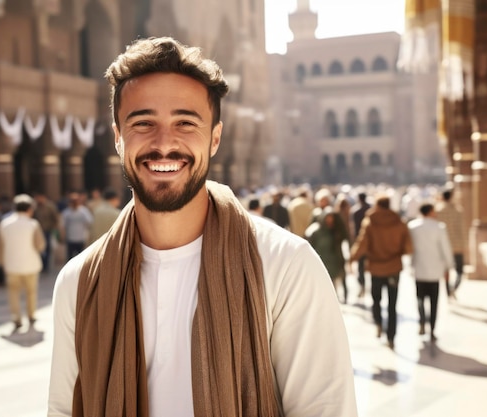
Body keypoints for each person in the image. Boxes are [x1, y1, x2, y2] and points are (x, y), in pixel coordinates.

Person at [47, 37, 357, 417]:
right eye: (143, 123)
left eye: (185, 123)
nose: (164, 143)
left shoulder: (285, 266)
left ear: (214, 138)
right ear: (117, 137)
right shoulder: (80, 283)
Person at [349, 195, 413, 349]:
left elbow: (362, 243)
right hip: (394, 268)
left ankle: (378, 323)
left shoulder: (370, 222)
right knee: (392, 304)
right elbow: (409, 247)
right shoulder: (399, 222)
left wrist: (352, 258)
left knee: (376, 300)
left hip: (376, 268)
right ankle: (391, 336)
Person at [0, 194, 46, 332]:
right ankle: (31, 315)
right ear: (30, 209)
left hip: (11, 264)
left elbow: (0, 246)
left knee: (13, 292)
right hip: (31, 264)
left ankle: (16, 317)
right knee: (31, 292)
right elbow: (40, 245)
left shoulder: (4, 223)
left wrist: (0, 262)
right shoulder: (33, 224)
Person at [408, 203, 454, 341]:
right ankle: (432, 329)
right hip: (435, 270)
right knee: (434, 302)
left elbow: (410, 249)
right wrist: (449, 266)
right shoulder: (439, 227)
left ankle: (422, 321)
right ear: (430, 212)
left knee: (420, 298)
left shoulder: (413, 227)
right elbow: (445, 248)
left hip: (419, 268)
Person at [306, 206, 350, 303]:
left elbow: (345, 238)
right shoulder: (315, 231)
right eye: (328, 218)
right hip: (321, 261)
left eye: (331, 218)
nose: (330, 220)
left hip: (334, 261)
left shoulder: (336, 230)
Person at [435, 187, 466, 298]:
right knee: (459, 270)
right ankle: (452, 289)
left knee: (446, 270)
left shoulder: (437, 211)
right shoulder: (457, 210)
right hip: (457, 244)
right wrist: (464, 245)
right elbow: (461, 229)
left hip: (443, 246)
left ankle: (449, 290)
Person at [60, 191, 93, 262]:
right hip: (70, 239)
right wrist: (62, 236)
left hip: (81, 239)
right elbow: (63, 226)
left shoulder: (84, 211)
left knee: (81, 259)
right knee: (70, 259)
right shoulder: (66, 213)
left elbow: (89, 222)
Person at [33, 191, 61, 273]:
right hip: (37, 231)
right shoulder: (35, 207)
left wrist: (54, 228)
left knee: (47, 249)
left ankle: (46, 266)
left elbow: (55, 218)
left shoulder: (50, 207)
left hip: (47, 231)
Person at [350, 191, 371, 298]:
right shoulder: (370, 209)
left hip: (360, 239)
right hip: (371, 241)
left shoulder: (356, 211)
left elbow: (353, 228)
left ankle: (362, 285)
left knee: (361, 265)